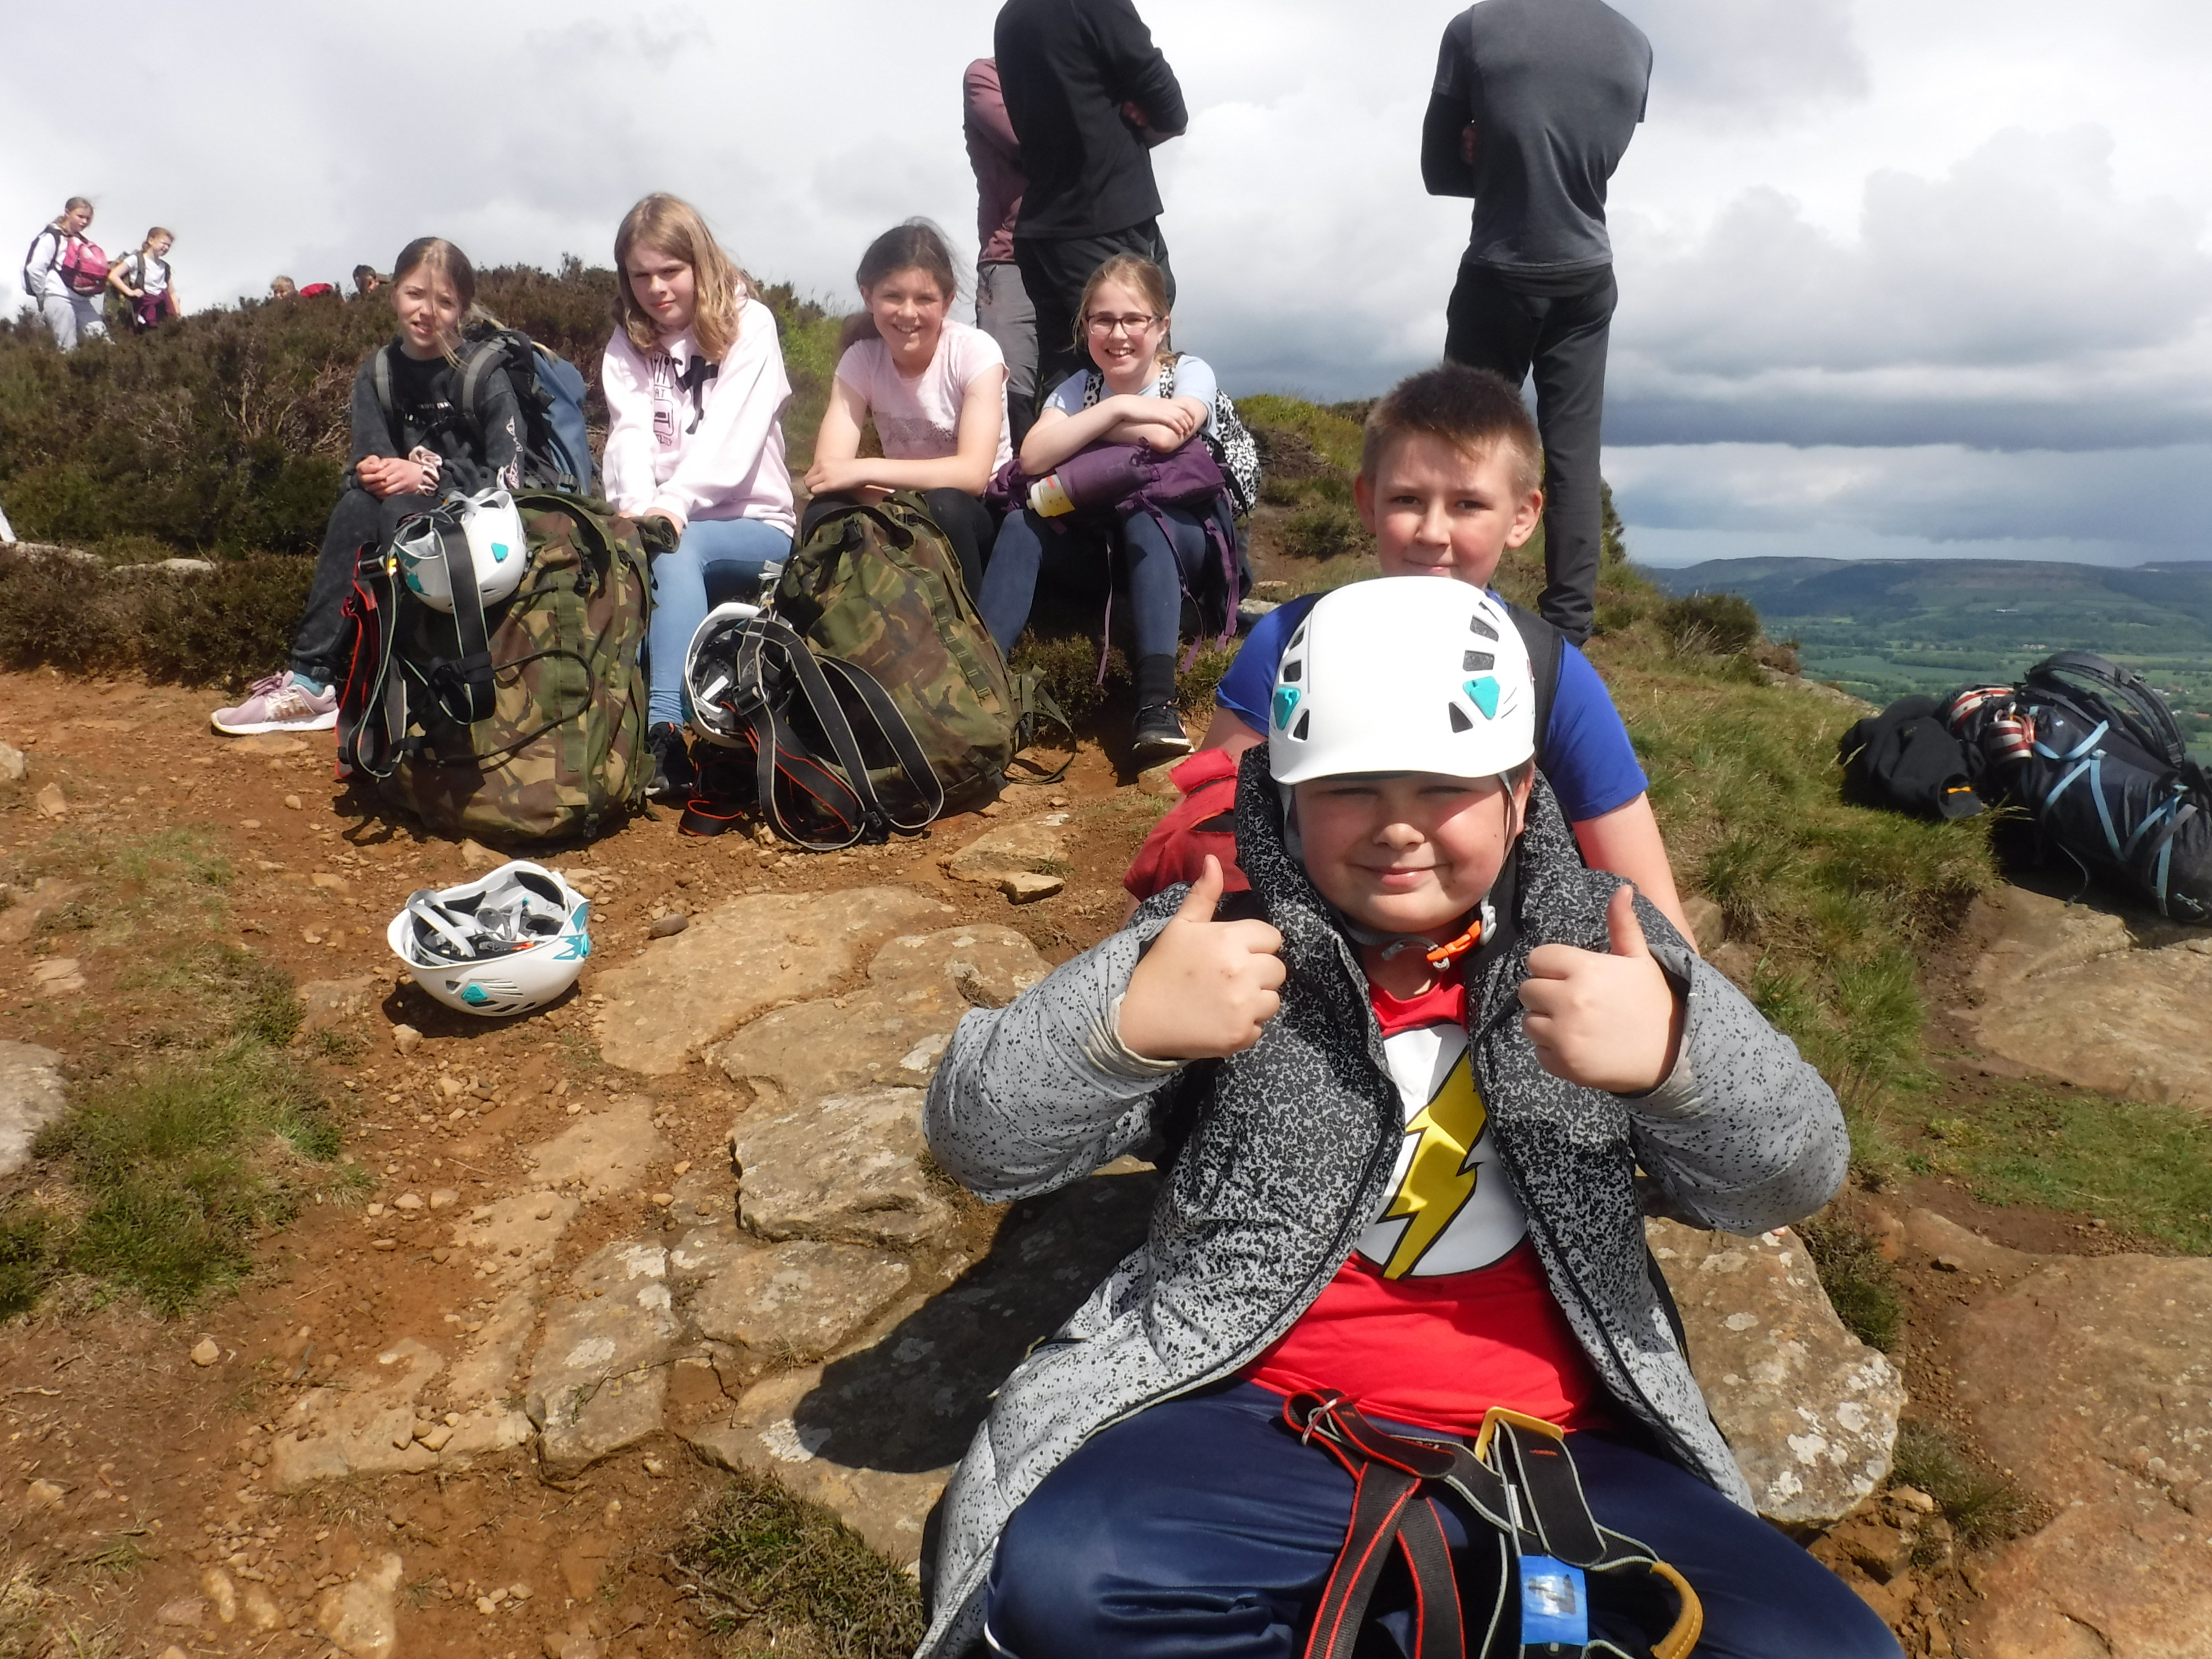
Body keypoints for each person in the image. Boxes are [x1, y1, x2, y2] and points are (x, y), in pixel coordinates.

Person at [917, 577, 1897, 1659]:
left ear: (1521, 792)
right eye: (1349, 787)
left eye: (1444, 786)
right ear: (1285, 796)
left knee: (1835, 1651)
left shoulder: (1606, 940)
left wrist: (1676, 1060)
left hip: (1567, 1449)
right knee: (1068, 1578)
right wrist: (1122, 1029)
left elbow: (1792, 1175)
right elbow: (977, 1142)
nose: (1397, 827)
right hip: (1259, 1418)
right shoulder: (1219, 936)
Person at [1164, 361, 1692, 945]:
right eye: (1408, 498)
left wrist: (1653, 992)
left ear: (1522, 516)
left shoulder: (1553, 673)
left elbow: (1653, 912)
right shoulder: (1287, 641)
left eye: (1468, 504)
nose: (1433, 532)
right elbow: (1203, 831)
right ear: (1367, 501)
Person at [211, 238, 520, 736]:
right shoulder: (377, 372)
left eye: (444, 302)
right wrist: (373, 471)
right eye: (415, 294)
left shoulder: (483, 374)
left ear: (462, 309)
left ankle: (412, 682)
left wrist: (430, 476)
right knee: (360, 503)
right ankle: (311, 683)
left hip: (474, 521)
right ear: (393, 293)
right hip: (399, 512)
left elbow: (509, 477)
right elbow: (363, 464)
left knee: (394, 512)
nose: (426, 312)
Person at [1424, 0, 1652, 648]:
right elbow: (1587, 163)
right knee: (1575, 456)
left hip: (1499, 270)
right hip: (1588, 275)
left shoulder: (1475, 28)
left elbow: (1439, 173)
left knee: (1461, 442)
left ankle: (1449, 597)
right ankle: (1567, 635)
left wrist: (1484, 155)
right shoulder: (1636, 43)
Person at [977, 253, 1231, 766]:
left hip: (1180, 541)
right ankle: (977, 685)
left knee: (1144, 515)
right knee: (1022, 523)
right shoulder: (1079, 388)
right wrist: (1118, 407)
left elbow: (1170, 434)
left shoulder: (1189, 372)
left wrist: (1087, 429)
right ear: (1085, 326)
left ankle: (1158, 705)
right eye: (1103, 320)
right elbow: (1033, 455)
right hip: (1101, 550)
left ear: (1162, 326)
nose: (1118, 335)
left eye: (1134, 319)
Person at [601, 192, 797, 801]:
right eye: (641, 276)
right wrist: (636, 509)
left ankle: (667, 734)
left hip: (754, 521)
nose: (656, 289)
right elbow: (629, 434)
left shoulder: (749, 325)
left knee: (674, 549)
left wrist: (674, 505)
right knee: (625, 555)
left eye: (670, 271)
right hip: (666, 515)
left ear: (700, 263)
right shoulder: (628, 340)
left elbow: (732, 441)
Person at [806, 221, 1009, 598]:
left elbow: (972, 474)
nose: (908, 312)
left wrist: (864, 469)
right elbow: (827, 472)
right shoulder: (861, 359)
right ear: (868, 297)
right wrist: (878, 491)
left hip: (977, 512)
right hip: (900, 501)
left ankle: (968, 624)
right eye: (893, 296)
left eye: (925, 299)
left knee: (945, 506)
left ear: (947, 302)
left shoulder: (975, 352)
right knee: (825, 508)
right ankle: (829, 619)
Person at [995, 0, 1187, 393]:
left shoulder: (1009, 16)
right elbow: (1171, 109)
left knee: (1068, 388)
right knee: (1140, 377)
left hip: (1045, 232)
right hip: (1107, 221)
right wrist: (1137, 123)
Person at [964, 57, 1039, 449]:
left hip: (1082, 256)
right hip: (1011, 260)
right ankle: (1016, 481)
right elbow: (1026, 141)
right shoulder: (987, 75)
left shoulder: (1083, 74)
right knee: (1009, 391)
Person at [22, 199, 108, 351]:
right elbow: (35, 268)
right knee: (68, 346)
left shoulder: (79, 240)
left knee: (103, 341)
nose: (84, 222)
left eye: (88, 218)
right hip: (58, 296)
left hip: (82, 300)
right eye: (80, 216)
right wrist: (42, 295)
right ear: (67, 213)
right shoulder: (52, 236)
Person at [108, 228, 180, 333]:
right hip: (142, 307)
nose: (166, 248)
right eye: (163, 243)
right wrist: (130, 292)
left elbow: (172, 292)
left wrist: (177, 313)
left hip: (162, 308)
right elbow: (113, 276)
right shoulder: (136, 259)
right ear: (151, 240)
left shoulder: (165, 267)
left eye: (169, 246)